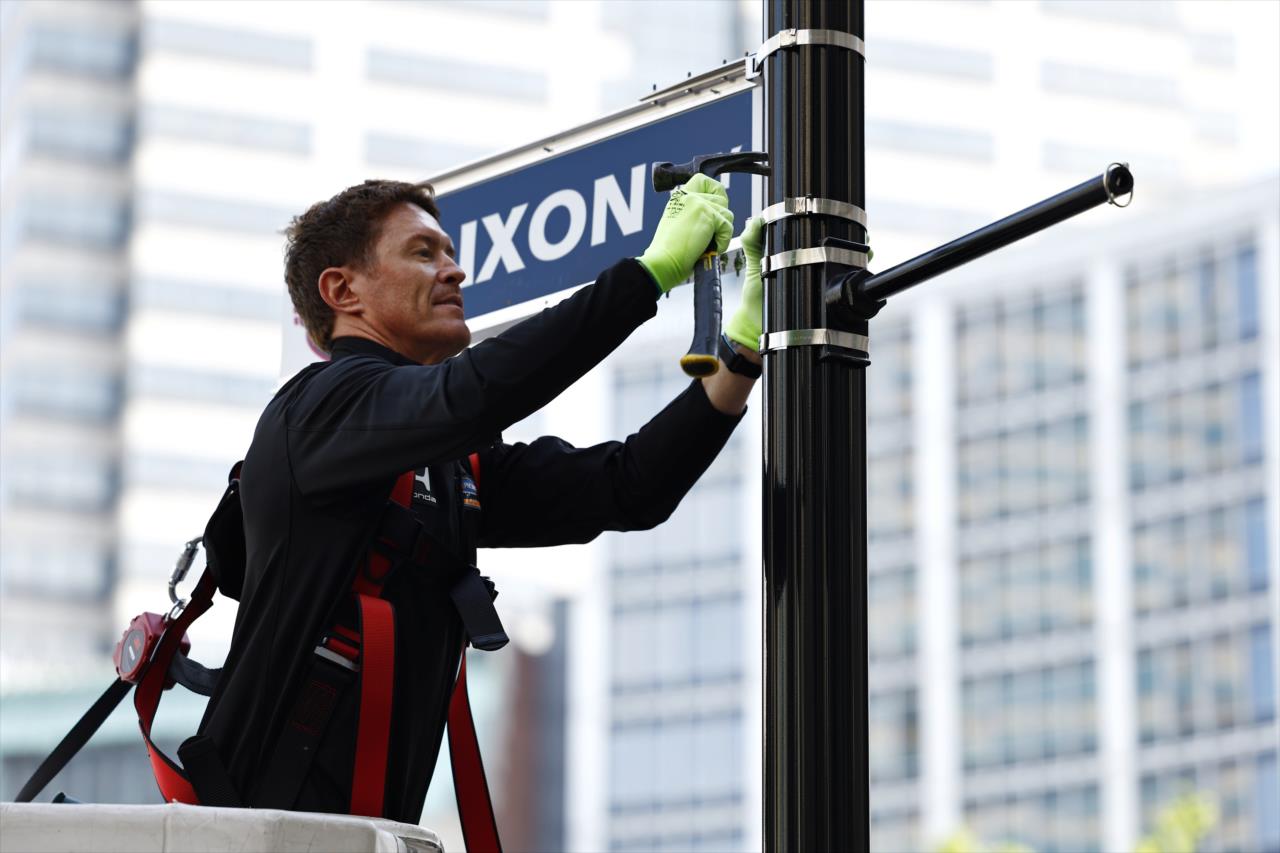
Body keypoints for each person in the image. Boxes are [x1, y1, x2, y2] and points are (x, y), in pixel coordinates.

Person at [191, 175, 768, 824]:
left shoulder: (448, 466)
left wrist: (741, 354)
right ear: (342, 291)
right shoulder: (317, 408)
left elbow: (631, 487)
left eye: (450, 252)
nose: (455, 271)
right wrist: (649, 274)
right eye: (423, 252)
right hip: (255, 832)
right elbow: (473, 394)